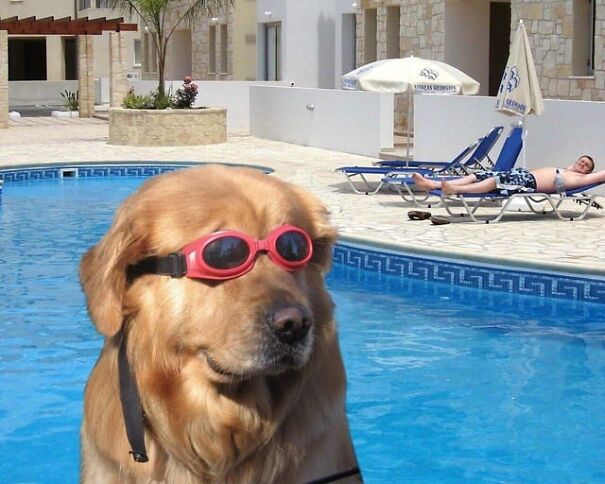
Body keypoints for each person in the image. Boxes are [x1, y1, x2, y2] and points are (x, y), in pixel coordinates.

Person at [411, 155, 602, 195]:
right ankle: (431, 183)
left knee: (495, 181)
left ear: (588, 172)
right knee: (479, 174)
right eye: (581, 160)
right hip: (522, 174)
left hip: (529, 183)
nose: (582, 163)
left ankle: (455, 189)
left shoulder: (582, 179)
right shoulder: (567, 169)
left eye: (586, 165)